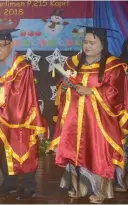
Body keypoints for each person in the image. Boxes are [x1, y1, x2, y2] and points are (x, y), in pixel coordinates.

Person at [48, 26, 128, 204]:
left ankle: (100, 191)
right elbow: (62, 86)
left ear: (102, 44)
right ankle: (78, 187)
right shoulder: (72, 62)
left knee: (97, 151)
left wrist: (92, 92)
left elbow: (116, 92)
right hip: (74, 117)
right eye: (85, 42)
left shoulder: (113, 65)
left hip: (99, 119)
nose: (88, 46)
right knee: (73, 148)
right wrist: (66, 86)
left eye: (93, 43)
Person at [0, 29, 48, 199]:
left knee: (23, 149)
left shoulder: (22, 66)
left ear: (10, 45)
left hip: (21, 116)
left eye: (1, 46)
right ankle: (8, 184)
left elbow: (19, 97)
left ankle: (28, 186)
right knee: (3, 150)